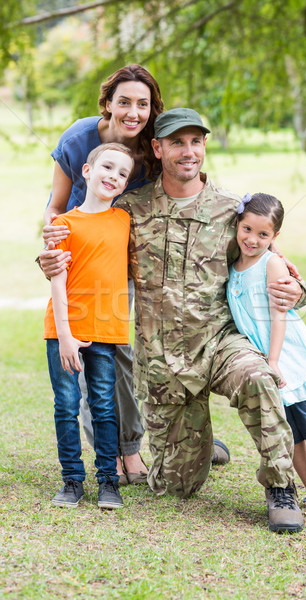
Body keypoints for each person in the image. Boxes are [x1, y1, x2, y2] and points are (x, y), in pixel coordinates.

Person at [113, 108, 306, 533]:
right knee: (175, 487)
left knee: (259, 377)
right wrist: (55, 254)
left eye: (196, 142)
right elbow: (92, 253)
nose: (189, 152)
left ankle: (280, 488)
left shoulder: (230, 210)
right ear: (158, 148)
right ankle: (203, 448)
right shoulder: (130, 209)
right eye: (178, 142)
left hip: (219, 343)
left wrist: (299, 292)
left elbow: (268, 259)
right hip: (162, 362)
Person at [40, 64, 165, 484]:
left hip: (124, 260)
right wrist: (50, 245)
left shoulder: (152, 149)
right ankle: (111, 456)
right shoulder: (78, 139)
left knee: (119, 355)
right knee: (85, 352)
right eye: (124, 101)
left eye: (143, 104)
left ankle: (129, 449)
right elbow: (55, 205)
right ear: (108, 103)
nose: (133, 112)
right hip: (76, 255)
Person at [226, 192, 306, 522]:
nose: (251, 239)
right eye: (246, 229)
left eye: (263, 234)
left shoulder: (272, 263)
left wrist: (273, 361)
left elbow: (279, 315)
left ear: (274, 237)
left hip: (287, 356)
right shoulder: (233, 265)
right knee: (289, 431)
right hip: (264, 358)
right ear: (237, 225)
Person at [44, 142, 135, 509]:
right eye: (107, 168)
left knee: (104, 406)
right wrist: (65, 334)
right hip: (64, 330)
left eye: (122, 173)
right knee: (66, 405)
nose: (112, 176)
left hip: (107, 330)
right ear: (86, 171)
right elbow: (56, 280)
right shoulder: (63, 224)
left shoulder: (125, 221)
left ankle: (108, 481)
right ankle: (71, 480)